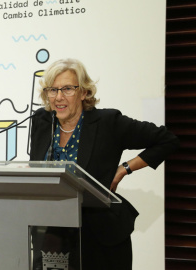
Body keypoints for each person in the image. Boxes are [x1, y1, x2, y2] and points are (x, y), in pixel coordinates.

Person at [29, 58, 179, 270]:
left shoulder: (108, 123)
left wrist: (124, 169)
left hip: (100, 237)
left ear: (84, 93)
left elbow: (167, 140)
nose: (59, 97)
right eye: (52, 90)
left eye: (68, 89)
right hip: (51, 234)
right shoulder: (42, 121)